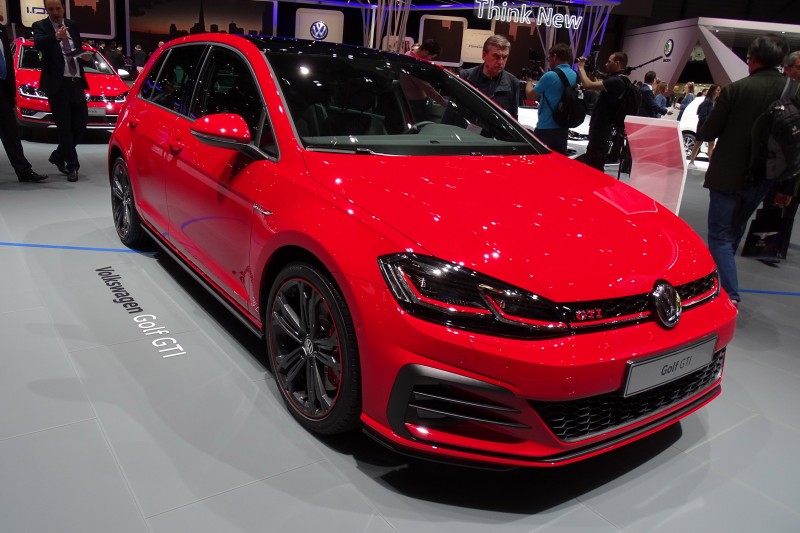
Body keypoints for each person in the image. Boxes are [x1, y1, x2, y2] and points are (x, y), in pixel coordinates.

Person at [697, 34, 793, 306]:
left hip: (728, 174)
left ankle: (729, 295)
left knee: (720, 236)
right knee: (733, 231)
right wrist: (788, 187)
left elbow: (708, 132)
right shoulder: (794, 92)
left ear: (753, 59)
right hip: (765, 177)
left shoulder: (736, 90)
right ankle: (718, 286)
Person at [32, 0, 91, 182]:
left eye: (58, 8)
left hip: (76, 81)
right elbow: (38, 43)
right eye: (51, 9)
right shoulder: (40, 26)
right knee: (64, 127)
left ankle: (58, 155)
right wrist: (56, 36)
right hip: (57, 84)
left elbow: (76, 48)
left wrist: (84, 56)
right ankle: (72, 166)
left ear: (63, 8)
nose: (55, 12)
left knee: (81, 124)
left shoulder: (73, 25)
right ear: (46, 9)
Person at [758, 50, 800, 261]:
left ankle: (775, 247)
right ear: (787, 68)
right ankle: (766, 247)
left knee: (787, 205)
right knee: (774, 202)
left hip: (790, 161)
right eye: (798, 67)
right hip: (777, 159)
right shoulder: (782, 90)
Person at [0, 22, 48, 183]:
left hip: (2, 89)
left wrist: (12, 92)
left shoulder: (1, 30)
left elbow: (7, 62)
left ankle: (24, 171)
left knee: (11, 133)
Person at [577, 51, 630, 171]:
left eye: (609, 62)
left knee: (594, 160)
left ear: (617, 63)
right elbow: (597, 83)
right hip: (605, 125)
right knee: (595, 157)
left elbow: (588, 85)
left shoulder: (616, 81)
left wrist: (581, 68)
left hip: (602, 126)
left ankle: (594, 180)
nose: (606, 64)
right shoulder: (621, 80)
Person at [524, 43, 577, 155]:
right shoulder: (575, 75)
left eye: (549, 58)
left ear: (555, 56)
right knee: (558, 162)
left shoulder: (549, 76)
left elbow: (530, 96)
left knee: (539, 161)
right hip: (563, 127)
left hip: (546, 128)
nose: (549, 61)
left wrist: (529, 81)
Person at [459, 35, 520, 119]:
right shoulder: (465, 77)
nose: (501, 62)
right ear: (484, 55)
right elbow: (453, 112)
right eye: (496, 56)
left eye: (505, 57)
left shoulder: (513, 83)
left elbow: (513, 119)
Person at [688, 84, 721, 167]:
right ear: (713, 91)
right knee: (698, 144)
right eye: (717, 90)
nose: (719, 92)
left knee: (711, 145)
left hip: (710, 127)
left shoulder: (714, 102)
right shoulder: (707, 102)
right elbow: (702, 116)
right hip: (703, 127)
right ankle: (691, 161)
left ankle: (711, 165)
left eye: (719, 90)